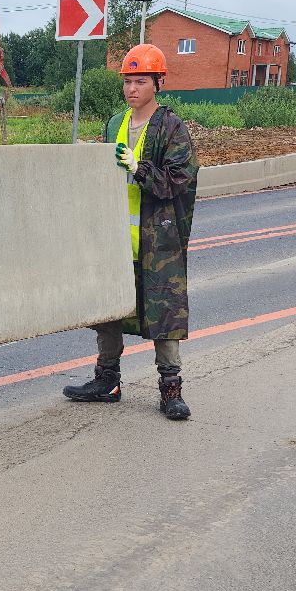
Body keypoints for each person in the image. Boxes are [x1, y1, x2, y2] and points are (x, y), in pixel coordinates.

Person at [61, 43, 199, 419]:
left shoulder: (171, 127)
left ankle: (171, 390)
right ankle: (107, 380)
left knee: (163, 314)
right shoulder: (114, 124)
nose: (132, 88)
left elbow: (180, 180)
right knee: (109, 311)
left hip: (158, 242)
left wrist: (139, 168)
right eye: (128, 81)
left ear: (158, 83)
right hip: (117, 239)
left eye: (141, 81)